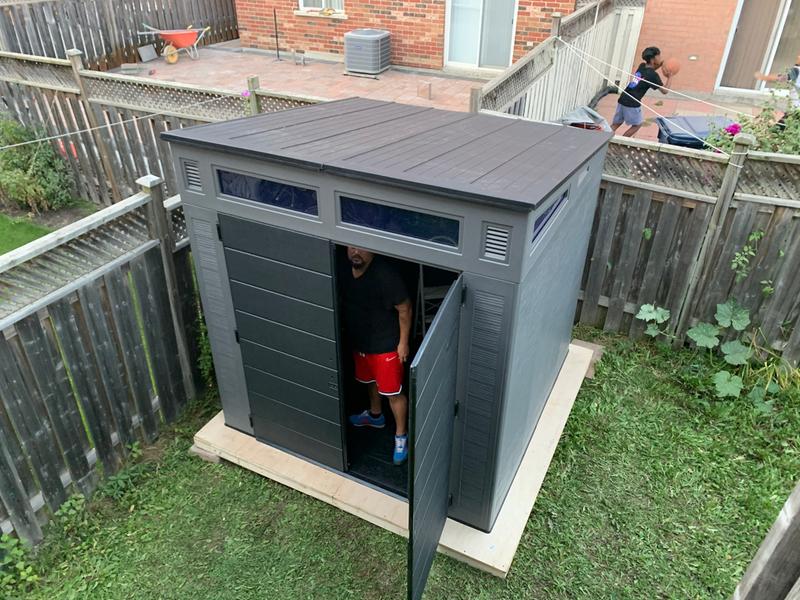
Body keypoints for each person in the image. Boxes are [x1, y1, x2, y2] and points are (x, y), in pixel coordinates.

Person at [342, 247, 413, 465]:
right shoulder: (344, 268)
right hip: (361, 343)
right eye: (351, 247)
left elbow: (405, 308)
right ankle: (375, 416)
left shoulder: (385, 275)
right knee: (370, 382)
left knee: (393, 393)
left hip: (385, 346)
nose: (356, 252)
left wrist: (403, 343)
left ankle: (401, 436)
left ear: (372, 251)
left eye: (361, 248)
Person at [612, 46, 673, 138]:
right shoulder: (653, 75)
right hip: (633, 102)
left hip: (623, 97)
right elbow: (665, 91)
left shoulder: (642, 66)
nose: (660, 58)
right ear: (653, 59)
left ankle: (601, 139)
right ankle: (622, 141)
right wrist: (670, 77)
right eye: (659, 57)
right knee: (637, 125)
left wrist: (659, 65)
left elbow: (649, 72)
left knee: (616, 124)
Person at [755, 54, 800, 128]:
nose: (797, 57)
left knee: (777, 131)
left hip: (795, 111)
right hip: (795, 111)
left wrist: (764, 77)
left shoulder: (796, 71)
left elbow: (781, 78)